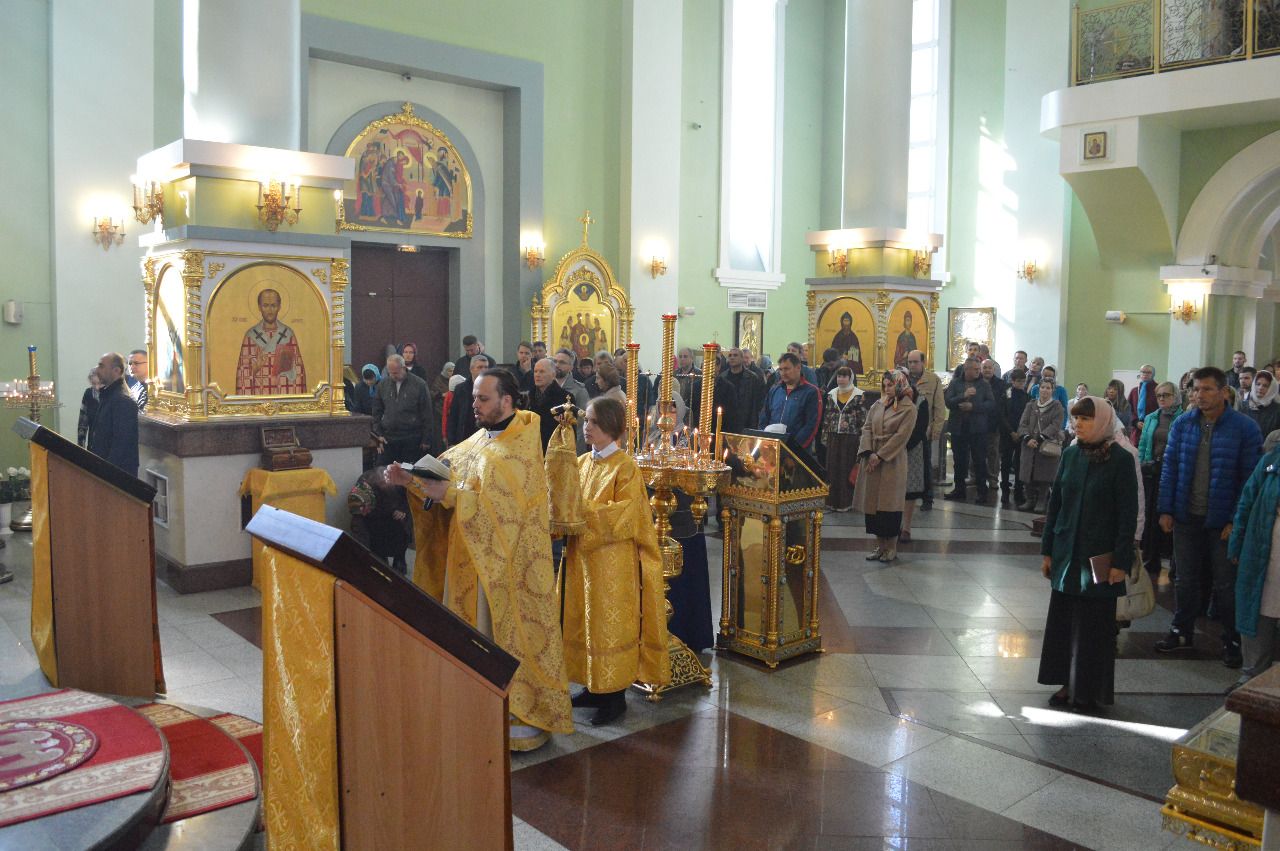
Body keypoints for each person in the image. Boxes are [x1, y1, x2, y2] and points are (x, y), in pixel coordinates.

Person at [392, 368, 574, 751]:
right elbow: (446, 478)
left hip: (503, 574)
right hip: (465, 560)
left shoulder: (520, 448)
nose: (474, 404)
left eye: (483, 398)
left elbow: (503, 511)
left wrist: (450, 493)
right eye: (474, 397)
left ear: (506, 401)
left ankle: (516, 714)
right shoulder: (478, 439)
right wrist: (412, 481)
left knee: (497, 638)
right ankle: (470, 708)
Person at [561, 397, 670, 725]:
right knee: (585, 620)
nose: (586, 427)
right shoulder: (582, 462)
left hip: (612, 563)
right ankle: (592, 686)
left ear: (610, 425)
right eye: (586, 421)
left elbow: (626, 515)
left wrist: (580, 513)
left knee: (609, 626)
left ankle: (614, 697)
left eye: (593, 422)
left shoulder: (625, 467)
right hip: (581, 558)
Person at [1156, 366, 1263, 666]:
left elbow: (1249, 480)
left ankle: (1232, 639)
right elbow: (1170, 468)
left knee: (1225, 584)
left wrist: (1235, 520)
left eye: (1206, 389)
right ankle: (1181, 630)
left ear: (1224, 392)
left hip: (1222, 520)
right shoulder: (1183, 424)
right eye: (1195, 389)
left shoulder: (1245, 428)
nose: (1199, 395)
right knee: (1185, 579)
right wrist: (1166, 509)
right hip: (1186, 515)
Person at [1037, 396, 1138, 712]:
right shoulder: (1070, 455)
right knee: (1064, 623)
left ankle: (1089, 690)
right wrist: (1048, 550)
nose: (1078, 424)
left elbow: (1127, 515)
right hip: (1067, 553)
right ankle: (1066, 683)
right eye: (1076, 418)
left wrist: (1120, 561)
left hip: (1099, 557)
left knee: (1094, 628)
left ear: (1103, 422)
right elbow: (1056, 505)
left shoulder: (1121, 460)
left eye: (1085, 419)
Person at [1226, 440, 1280, 692]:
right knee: (1258, 612)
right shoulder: (1271, 461)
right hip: (1263, 551)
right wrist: (1236, 543)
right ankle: (1252, 676)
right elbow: (1246, 502)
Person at [852, 370, 917, 562]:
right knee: (873, 507)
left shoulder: (909, 408)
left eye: (891, 385)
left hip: (891, 461)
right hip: (872, 458)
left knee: (889, 506)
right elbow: (867, 427)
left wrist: (880, 455)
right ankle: (880, 545)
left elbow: (901, 437)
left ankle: (891, 547)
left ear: (900, 385)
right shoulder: (878, 404)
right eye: (885, 385)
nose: (887, 389)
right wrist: (869, 452)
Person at [1137, 381, 1182, 581]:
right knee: (1150, 515)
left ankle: (1173, 562)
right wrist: (1141, 465)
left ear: (1175, 396)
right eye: (1159, 395)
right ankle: (1151, 558)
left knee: (1170, 515)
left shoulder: (1183, 418)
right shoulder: (1151, 417)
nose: (1162, 399)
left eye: (1166, 395)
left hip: (1173, 473)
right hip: (1151, 472)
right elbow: (1143, 444)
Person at [235, 288, 306, 394]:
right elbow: (242, 373)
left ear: (279, 307)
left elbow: (298, 371)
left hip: (282, 394)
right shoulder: (251, 336)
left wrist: (288, 372)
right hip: (259, 395)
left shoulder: (288, 334)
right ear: (259, 307)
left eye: (273, 305)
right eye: (265, 305)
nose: (270, 310)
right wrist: (255, 368)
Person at [944, 357, 995, 503]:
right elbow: (948, 402)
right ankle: (959, 490)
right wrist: (963, 396)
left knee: (979, 460)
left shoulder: (984, 385)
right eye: (976, 369)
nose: (979, 371)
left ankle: (982, 492)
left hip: (977, 429)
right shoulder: (955, 383)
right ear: (967, 369)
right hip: (958, 428)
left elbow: (991, 404)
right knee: (959, 460)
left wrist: (973, 407)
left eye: (979, 369)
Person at [372, 354, 439, 465]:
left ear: (403, 368)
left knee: (407, 471)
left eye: (395, 373)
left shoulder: (419, 385)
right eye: (390, 373)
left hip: (412, 437)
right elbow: (376, 411)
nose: (392, 376)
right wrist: (378, 433)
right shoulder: (383, 385)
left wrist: (426, 439)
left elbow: (427, 413)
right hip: (388, 437)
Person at [347, 466, 412, 575]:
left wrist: (403, 510)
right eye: (383, 483)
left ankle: (399, 558)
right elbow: (357, 519)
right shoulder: (364, 486)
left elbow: (411, 499)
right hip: (374, 517)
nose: (385, 483)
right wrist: (362, 552)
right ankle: (378, 559)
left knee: (404, 523)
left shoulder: (398, 478)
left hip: (396, 515)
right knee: (363, 528)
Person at [1016, 378, 1066, 512]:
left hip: (1047, 445)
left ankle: (1041, 501)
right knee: (1028, 472)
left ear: (1052, 390)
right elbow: (1022, 423)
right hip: (1029, 444)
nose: (1045, 390)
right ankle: (1029, 499)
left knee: (1045, 474)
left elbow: (1056, 425)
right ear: (1039, 389)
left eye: (1048, 388)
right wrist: (1027, 438)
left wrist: (1041, 437)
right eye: (1043, 387)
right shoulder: (1030, 405)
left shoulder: (1057, 406)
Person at [88, 352, 139, 477]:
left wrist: (106, 474)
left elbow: (121, 445)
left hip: (115, 476)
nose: (97, 370)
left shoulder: (123, 400)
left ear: (116, 371)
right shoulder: (108, 395)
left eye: (101, 366)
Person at [759, 352, 822, 452]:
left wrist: (794, 447)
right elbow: (764, 417)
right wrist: (764, 439)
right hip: (771, 448)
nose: (783, 373)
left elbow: (811, 425)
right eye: (781, 369)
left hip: (797, 451)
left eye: (787, 369)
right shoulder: (775, 390)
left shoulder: (811, 392)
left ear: (798, 367)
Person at [822, 366, 864, 512]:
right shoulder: (831, 394)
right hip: (833, 435)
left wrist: (862, 437)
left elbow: (862, 418)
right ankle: (831, 502)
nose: (841, 379)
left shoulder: (858, 395)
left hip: (850, 437)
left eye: (844, 376)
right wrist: (824, 436)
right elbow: (827, 415)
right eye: (839, 376)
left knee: (845, 468)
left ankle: (846, 502)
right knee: (832, 468)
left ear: (850, 378)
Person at [907, 350, 945, 510]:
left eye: (915, 362)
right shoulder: (903, 378)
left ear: (923, 362)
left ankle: (927, 498)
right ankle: (905, 495)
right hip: (905, 430)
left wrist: (935, 430)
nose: (912, 365)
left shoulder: (932, 380)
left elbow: (939, 407)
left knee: (925, 464)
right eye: (910, 362)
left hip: (924, 431)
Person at [899, 379, 930, 543]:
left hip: (913, 448)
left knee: (910, 489)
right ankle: (894, 525)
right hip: (892, 449)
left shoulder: (921, 401)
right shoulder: (888, 400)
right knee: (893, 489)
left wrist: (903, 445)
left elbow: (920, 428)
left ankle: (906, 528)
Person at [447, 354, 493, 447]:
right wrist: (451, 441)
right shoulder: (461, 389)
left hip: (486, 437)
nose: (484, 370)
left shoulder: (493, 389)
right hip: (465, 436)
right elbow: (453, 416)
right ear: (471, 369)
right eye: (480, 367)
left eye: (486, 367)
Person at [1002, 369, 1032, 507]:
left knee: (1020, 462)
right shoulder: (1006, 395)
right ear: (1012, 381)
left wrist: (1020, 432)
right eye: (1019, 381)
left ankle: (1019, 490)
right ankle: (1005, 490)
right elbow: (1002, 415)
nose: (1021, 384)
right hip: (1007, 433)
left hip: (1021, 433)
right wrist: (1011, 432)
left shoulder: (1026, 396)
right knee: (1006, 462)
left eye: (1023, 381)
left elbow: (1027, 417)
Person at [722, 348, 767, 438]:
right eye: (730, 355)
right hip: (727, 422)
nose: (732, 358)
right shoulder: (723, 377)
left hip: (746, 422)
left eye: (735, 355)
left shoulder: (752, 378)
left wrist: (754, 425)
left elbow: (756, 403)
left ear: (742, 358)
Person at [982, 359, 1006, 497]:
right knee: (976, 452)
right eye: (984, 367)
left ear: (994, 369)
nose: (987, 370)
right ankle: (976, 476)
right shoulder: (977, 383)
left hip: (994, 423)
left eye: (989, 367)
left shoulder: (1001, 384)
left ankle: (993, 478)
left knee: (993, 452)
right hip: (978, 423)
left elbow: (1002, 405)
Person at [530, 357, 564, 450]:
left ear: (553, 375)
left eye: (542, 372)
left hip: (553, 449)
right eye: (535, 371)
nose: (537, 375)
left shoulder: (564, 398)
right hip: (531, 447)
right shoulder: (528, 397)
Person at [1128, 365, 1158, 442]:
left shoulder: (1158, 389)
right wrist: (1135, 422)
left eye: (1148, 372)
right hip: (1137, 430)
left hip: (1154, 429)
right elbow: (1128, 410)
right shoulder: (1134, 391)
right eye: (1143, 372)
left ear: (1153, 374)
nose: (1145, 374)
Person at [1245, 369, 1280, 436]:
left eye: (1265, 386)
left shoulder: (1277, 410)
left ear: (1272, 388)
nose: (1260, 388)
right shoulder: (1244, 406)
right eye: (1258, 384)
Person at [77, 368, 102, 448]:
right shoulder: (88, 394)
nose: (97, 387)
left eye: (99, 383)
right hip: (92, 444)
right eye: (94, 384)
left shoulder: (111, 396)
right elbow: (82, 423)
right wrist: (81, 447)